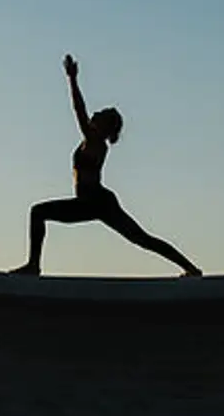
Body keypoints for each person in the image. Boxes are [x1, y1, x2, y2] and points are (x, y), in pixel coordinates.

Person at [11, 54, 203, 277]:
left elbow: (79, 111)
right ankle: (33, 265)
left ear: (104, 127)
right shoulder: (92, 141)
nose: (95, 113)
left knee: (142, 239)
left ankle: (33, 266)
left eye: (99, 115)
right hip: (91, 202)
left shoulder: (95, 142)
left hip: (97, 202)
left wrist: (72, 80)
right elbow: (83, 115)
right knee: (142, 239)